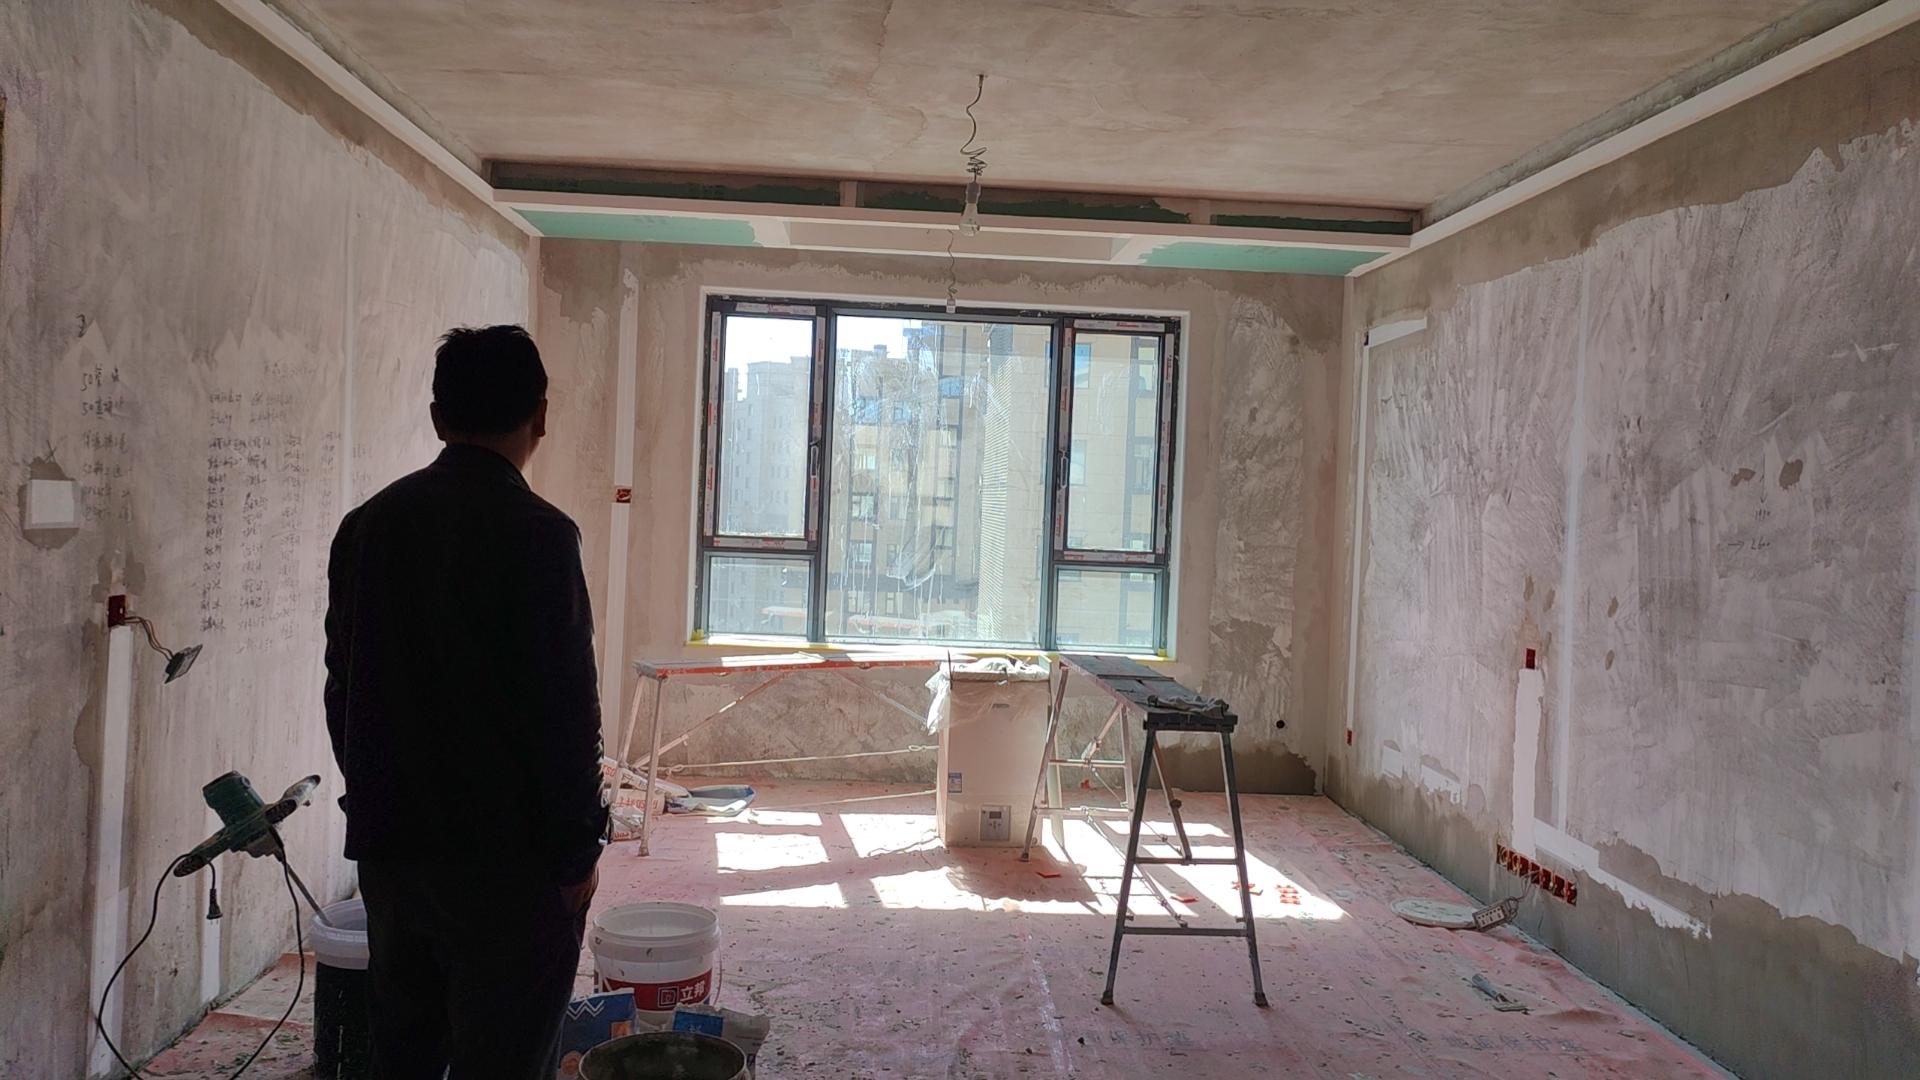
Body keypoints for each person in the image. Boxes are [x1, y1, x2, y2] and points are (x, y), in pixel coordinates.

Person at [324, 324, 607, 1078]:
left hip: (396, 854)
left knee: (404, 1054)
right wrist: (578, 851)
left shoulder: (368, 527)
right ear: (540, 416)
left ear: (437, 417)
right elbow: (566, 712)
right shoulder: (542, 536)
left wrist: (376, 807)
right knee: (505, 1058)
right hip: (511, 870)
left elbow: (342, 687)